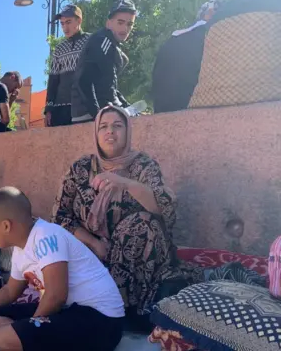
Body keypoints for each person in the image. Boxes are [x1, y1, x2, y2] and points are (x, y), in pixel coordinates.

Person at [51, 105, 198, 322]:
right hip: (93, 253)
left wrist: (124, 183)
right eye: (104, 127)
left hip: (139, 260)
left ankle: (134, 308)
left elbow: (163, 208)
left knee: (142, 224)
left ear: (127, 131)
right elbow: (60, 217)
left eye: (117, 126)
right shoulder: (80, 168)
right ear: (97, 133)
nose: (110, 131)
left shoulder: (143, 165)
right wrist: (94, 243)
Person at [0, 187, 124, 351]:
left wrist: (32, 328)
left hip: (101, 321)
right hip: (70, 312)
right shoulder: (21, 247)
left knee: (24, 332)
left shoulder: (46, 235)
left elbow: (56, 296)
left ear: (6, 225)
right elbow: (10, 291)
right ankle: (17, 340)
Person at [152, 0, 224, 114]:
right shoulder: (213, 38)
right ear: (210, 13)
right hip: (195, 111)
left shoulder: (173, 39)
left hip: (162, 111)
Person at [72, 0, 137, 123]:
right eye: (120, 22)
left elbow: (108, 85)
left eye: (129, 24)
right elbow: (83, 80)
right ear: (108, 23)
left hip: (98, 112)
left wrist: (126, 106)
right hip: (88, 115)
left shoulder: (113, 47)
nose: (125, 28)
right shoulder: (103, 41)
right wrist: (98, 114)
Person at [45, 5, 90, 127]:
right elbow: (53, 79)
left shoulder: (91, 41)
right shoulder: (59, 48)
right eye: (62, 23)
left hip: (85, 106)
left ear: (79, 20)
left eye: (68, 22)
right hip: (61, 108)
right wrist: (49, 109)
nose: (65, 27)